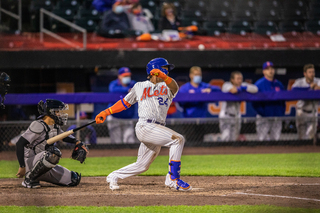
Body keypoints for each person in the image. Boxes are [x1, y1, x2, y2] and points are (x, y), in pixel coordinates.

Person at [95, 57, 192, 191]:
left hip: (158, 128)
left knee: (142, 166)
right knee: (178, 140)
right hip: (145, 126)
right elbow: (125, 103)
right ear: (155, 69)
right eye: (165, 68)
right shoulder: (139, 86)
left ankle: (114, 175)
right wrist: (106, 112)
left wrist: (163, 76)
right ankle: (173, 179)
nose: (167, 71)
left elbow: (174, 86)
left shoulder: (167, 86)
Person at [15, 99, 88, 188]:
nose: (60, 114)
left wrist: (77, 142)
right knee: (53, 153)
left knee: (73, 179)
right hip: (30, 163)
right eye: (57, 111)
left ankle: (37, 177)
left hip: (43, 164)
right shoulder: (38, 125)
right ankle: (29, 179)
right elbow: (20, 143)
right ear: (50, 112)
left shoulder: (54, 126)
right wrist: (22, 166)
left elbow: (63, 136)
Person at [219, 71, 258, 141]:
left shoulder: (242, 85)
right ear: (232, 80)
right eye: (238, 79)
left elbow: (255, 89)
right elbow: (233, 90)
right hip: (226, 116)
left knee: (234, 139)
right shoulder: (226, 85)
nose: (240, 80)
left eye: (241, 78)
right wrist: (240, 89)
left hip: (237, 116)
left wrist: (245, 87)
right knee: (225, 138)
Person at [252, 61, 285, 141]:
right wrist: (263, 113)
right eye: (267, 69)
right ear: (263, 71)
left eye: (272, 68)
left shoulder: (279, 84)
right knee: (261, 140)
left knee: (276, 140)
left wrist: (281, 113)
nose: (270, 71)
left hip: (277, 116)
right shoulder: (259, 84)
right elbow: (254, 102)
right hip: (263, 117)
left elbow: (283, 101)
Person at [107, 67, 136, 144]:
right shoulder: (114, 84)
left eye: (128, 75)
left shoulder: (132, 83)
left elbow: (137, 89)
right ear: (119, 76)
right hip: (114, 117)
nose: (127, 77)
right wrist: (127, 90)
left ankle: (130, 156)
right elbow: (113, 90)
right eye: (125, 76)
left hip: (128, 118)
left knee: (130, 141)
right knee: (116, 142)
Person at [292, 64, 320, 140]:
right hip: (301, 111)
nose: (312, 74)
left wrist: (318, 88)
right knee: (301, 136)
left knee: (312, 136)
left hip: (313, 112)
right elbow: (293, 91)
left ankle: (311, 151)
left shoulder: (318, 81)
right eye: (310, 72)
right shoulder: (300, 82)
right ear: (305, 73)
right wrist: (309, 88)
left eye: (313, 72)